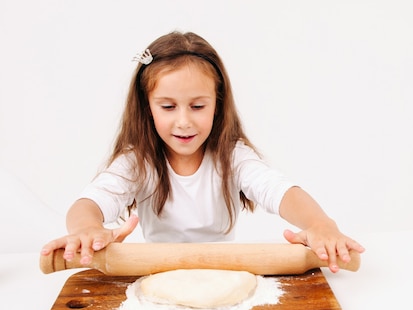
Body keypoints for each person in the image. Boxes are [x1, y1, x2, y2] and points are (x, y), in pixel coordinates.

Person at [41, 31, 364, 273]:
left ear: (217, 105)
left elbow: (280, 191)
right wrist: (86, 230)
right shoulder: (137, 162)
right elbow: (91, 202)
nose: (183, 121)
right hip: (155, 273)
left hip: (224, 271)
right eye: (167, 106)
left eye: (197, 106)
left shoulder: (232, 157)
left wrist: (320, 223)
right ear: (147, 107)